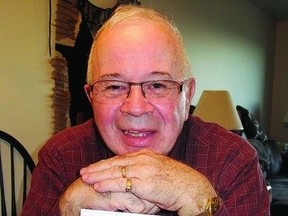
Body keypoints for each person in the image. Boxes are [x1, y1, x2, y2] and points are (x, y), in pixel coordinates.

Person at [21, 5, 270, 216]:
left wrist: (202, 204)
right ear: (90, 96)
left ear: (188, 95)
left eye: (158, 85)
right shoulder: (61, 156)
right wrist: (67, 208)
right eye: (114, 86)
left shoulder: (233, 160)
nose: (136, 108)